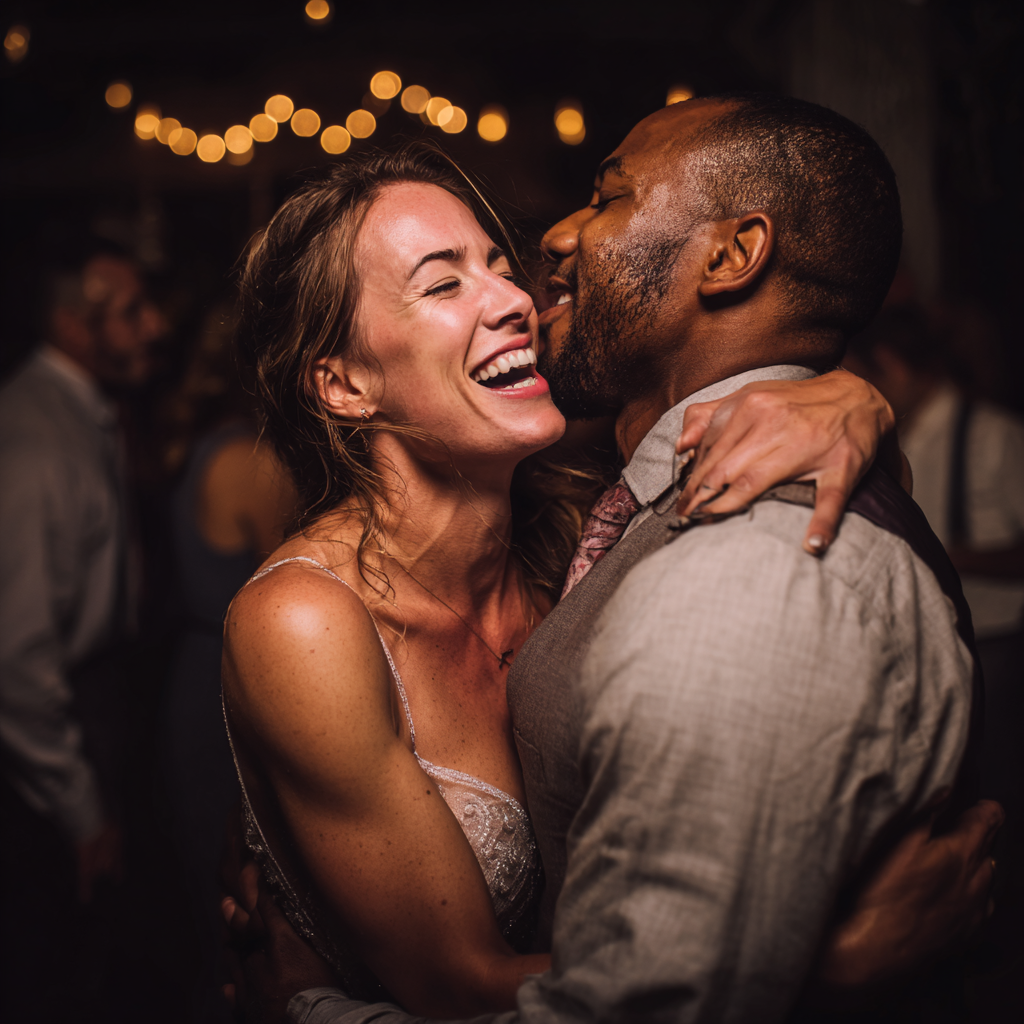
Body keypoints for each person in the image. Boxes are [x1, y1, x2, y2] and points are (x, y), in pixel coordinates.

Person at [220, 122, 997, 1024]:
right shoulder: (306, 622)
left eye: (494, 263)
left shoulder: (580, 526)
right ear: (345, 386)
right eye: (443, 283)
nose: (513, 295)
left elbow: (716, 393)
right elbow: (456, 987)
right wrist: (822, 966)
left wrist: (854, 398)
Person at [0, 242, 163, 1020]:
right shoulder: (32, 434)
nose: (154, 327)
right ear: (72, 323)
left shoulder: (80, 412)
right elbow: (15, 656)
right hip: (52, 732)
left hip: (97, 699)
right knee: (57, 965)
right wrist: (79, 805)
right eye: (129, 313)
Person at [160, 303, 299, 1023]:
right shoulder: (249, 456)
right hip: (229, 678)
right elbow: (293, 577)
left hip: (190, 666)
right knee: (241, 874)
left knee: (201, 874)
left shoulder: (202, 443)